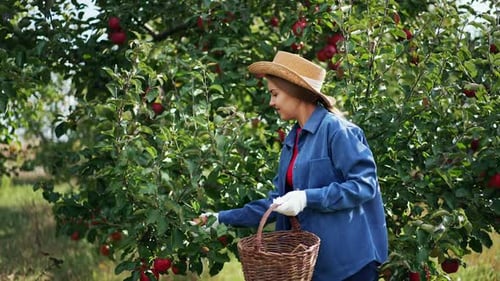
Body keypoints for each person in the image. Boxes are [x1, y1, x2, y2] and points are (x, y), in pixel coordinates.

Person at [198, 51, 388, 281]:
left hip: (348, 265)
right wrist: (222, 218)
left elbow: (364, 185)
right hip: (308, 265)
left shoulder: (337, 131)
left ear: (294, 91)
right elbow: (277, 201)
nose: (271, 102)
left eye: (275, 94)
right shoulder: (294, 140)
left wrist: (308, 198)